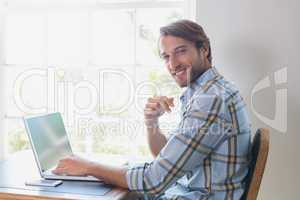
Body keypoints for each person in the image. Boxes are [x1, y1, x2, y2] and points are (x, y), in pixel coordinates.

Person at [53, 19, 251, 200]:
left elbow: (153, 181)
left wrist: (88, 167)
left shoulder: (211, 100)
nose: (173, 64)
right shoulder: (207, 91)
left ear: (204, 49)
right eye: (166, 57)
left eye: (181, 51)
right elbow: (166, 160)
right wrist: (151, 122)